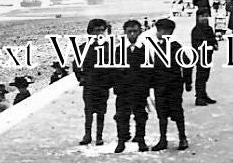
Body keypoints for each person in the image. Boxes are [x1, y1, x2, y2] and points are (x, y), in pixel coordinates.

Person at [150, 18, 192, 151]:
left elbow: (187, 64)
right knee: (161, 113)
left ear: (168, 31)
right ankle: (163, 139)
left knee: (177, 111)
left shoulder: (175, 47)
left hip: (173, 85)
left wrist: (187, 81)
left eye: (159, 30)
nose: (157, 33)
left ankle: (182, 137)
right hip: (160, 85)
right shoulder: (159, 46)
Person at [113, 20, 150, 153]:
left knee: (140, 116)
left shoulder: (146, 50)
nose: (133, 34)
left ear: (140, 32)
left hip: (139, 90)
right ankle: (121, 141)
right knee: (121, 116)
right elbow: (114, 71)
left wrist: (146, 87)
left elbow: (148, 71)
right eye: (130, 31)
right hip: (123, 90)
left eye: (135, 31)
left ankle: (141, 140)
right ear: (125, 32)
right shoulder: (118, 50)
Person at [74, 18, 112, 146]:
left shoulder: (108, 47)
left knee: (101, 111)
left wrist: (110, 81)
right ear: (90, 32)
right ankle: (87, 135)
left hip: (103, 85)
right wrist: (81, 78)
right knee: (88, 111)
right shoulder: (83, 48)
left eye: (102, 30)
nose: (100, 33)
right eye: (97, 30)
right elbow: (76, 64)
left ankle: (99, 136)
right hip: (89, 85)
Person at [191, 10, 218, 106]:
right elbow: (197, 44)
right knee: (200, 77)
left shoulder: (209, 28)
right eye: (202, 16)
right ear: (198, 17)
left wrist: (215, 44)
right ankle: (199, 97)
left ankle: (203, 94)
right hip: (200, 56)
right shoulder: (196, 30)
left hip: (208, 55)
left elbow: (213, 38)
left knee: (205, 76)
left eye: (206, 16)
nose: (205, 18)